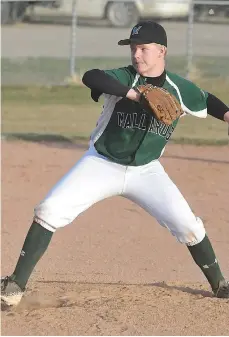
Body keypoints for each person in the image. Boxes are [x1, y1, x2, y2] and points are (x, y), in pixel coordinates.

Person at [1, 21, 229, 309]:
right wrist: (134, 94)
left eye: (143, 49)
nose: (136, 55)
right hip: (101, 164)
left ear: (162, 51)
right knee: (49, 210)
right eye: (133, 48)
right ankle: (15, 285)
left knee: (189, 226)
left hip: (147, 171)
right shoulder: (123, 78)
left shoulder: (178, 89)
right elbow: (91, 77)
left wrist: (227, 115)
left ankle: (220, 285)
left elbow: (206, 100)